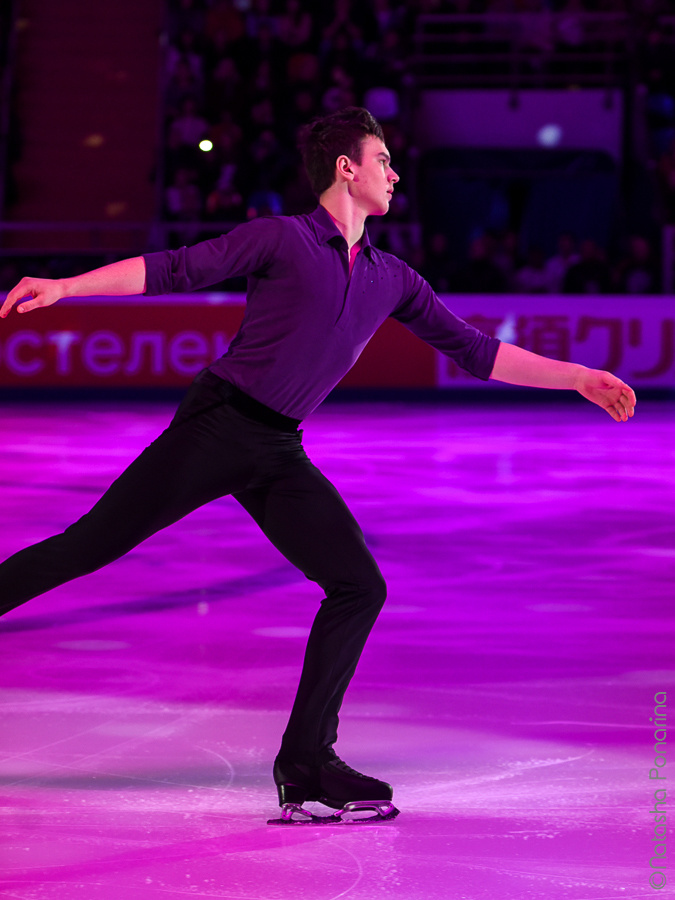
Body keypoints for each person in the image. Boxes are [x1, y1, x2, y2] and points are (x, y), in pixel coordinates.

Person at [0, 107, 636, 824]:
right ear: (347, 168)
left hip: (277, 447)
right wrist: (66, 287)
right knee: (89, 546)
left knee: (358, 585)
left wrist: (577, 376)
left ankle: (306, 760)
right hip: (219, 425)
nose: (395, 174)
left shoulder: (392, 278)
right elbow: (173, 267)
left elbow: (475, 351)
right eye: (383, 160)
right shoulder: (280, 238)